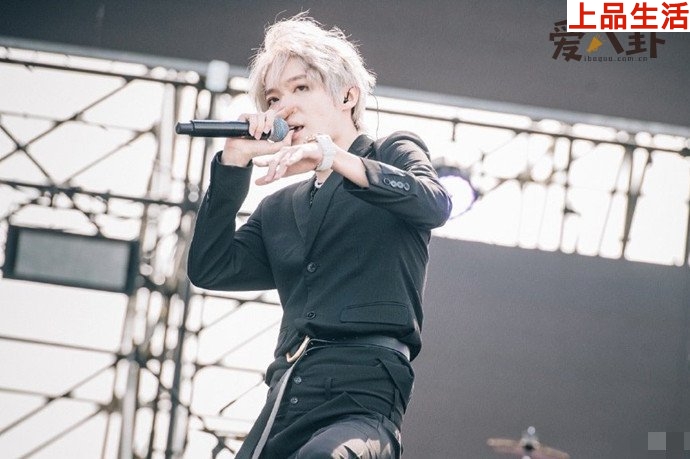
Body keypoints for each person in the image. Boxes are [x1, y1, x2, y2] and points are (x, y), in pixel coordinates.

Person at [187, 13, 452, 459]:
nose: (285, 106)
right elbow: (211, 268)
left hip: (364, 390)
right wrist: (234, 162)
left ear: (348, 95)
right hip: (290, 388)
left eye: (301, 88)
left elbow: (435, 203)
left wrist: (335, 159)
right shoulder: (279, 208)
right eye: (274, 98)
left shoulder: (391, 153)